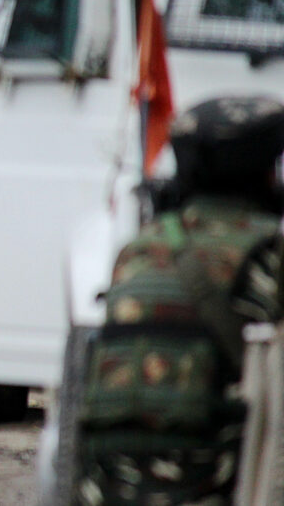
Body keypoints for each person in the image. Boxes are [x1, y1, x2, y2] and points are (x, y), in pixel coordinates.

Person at [75, 97, 284, 505]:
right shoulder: (266, 254)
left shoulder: (135, 251)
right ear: (263, 174)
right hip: (201, 488)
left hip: (102, 491)